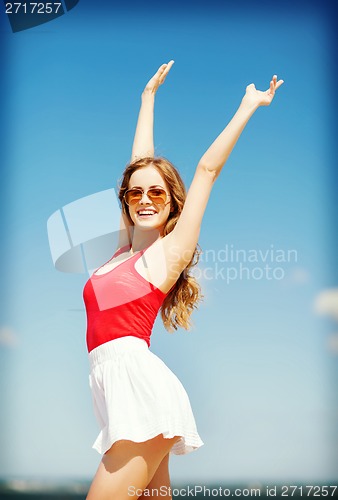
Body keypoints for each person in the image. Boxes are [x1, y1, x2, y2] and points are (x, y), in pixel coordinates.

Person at [83, 61, 284, 500]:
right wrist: (147, 98)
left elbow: (207, 170)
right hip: (119, 392)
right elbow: (138, 163)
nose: (145, 199)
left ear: (174, 204)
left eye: (158, 193)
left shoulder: (166, 255)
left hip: (141, 393)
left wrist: (249, 104)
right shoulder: (123, 251)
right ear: (126, 201)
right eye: (135, 193)